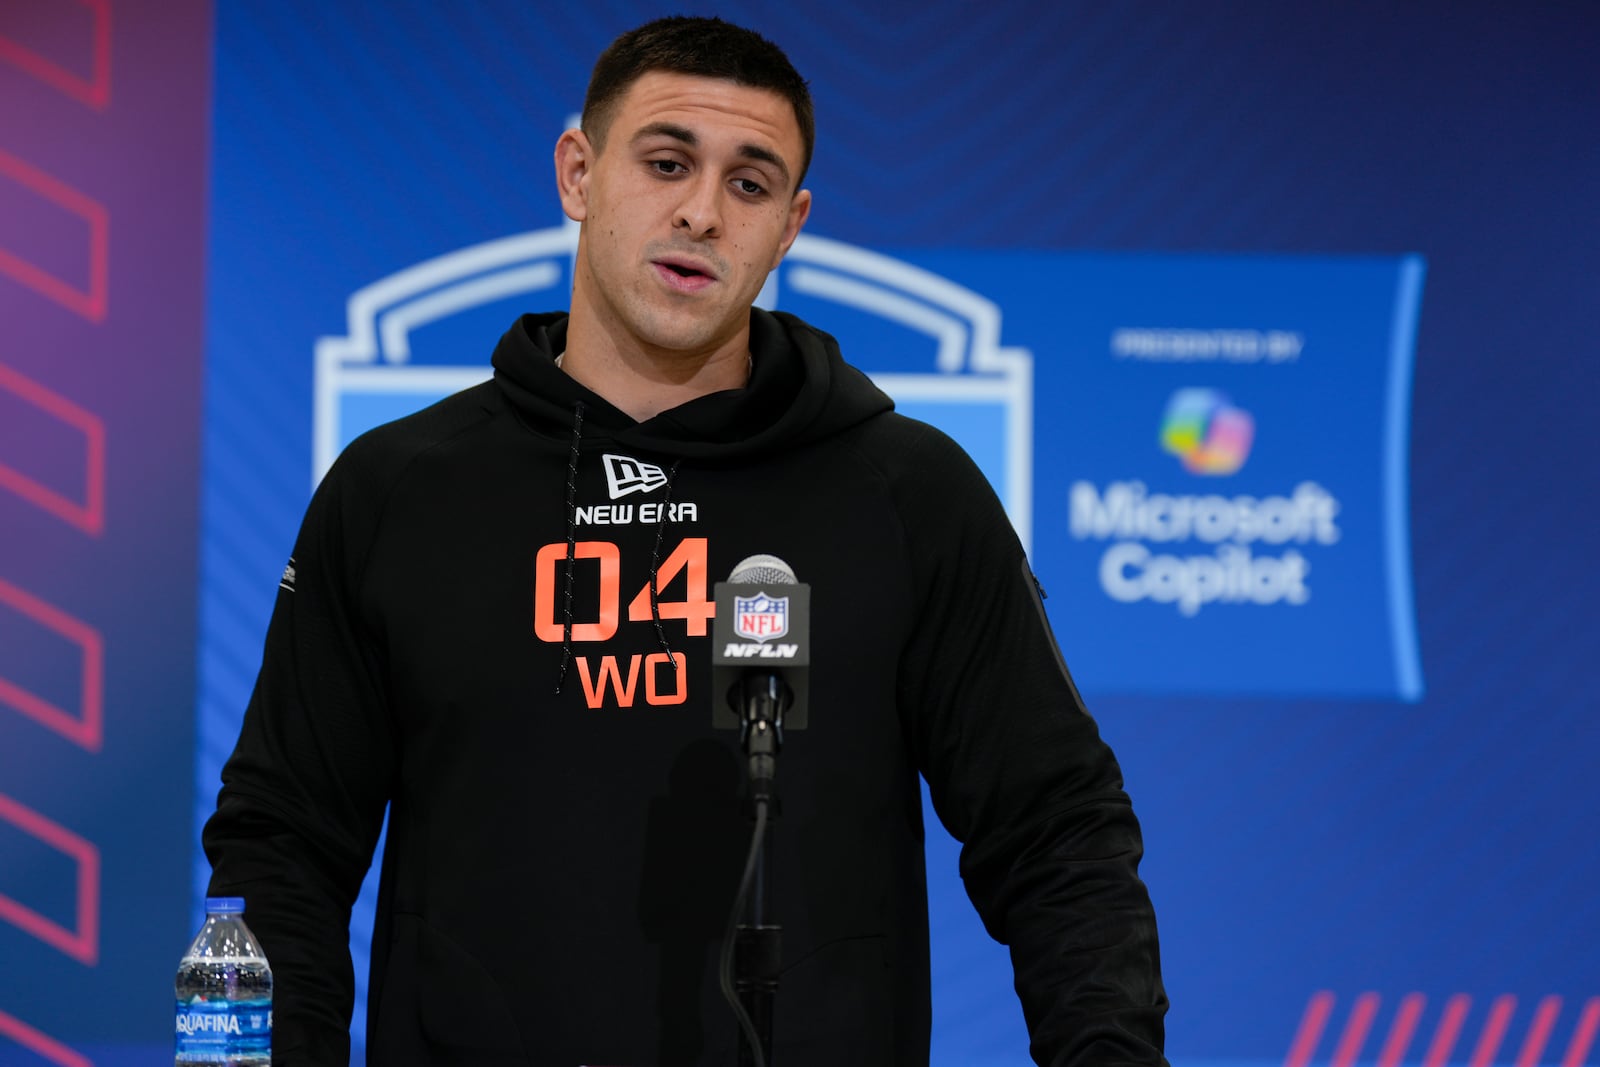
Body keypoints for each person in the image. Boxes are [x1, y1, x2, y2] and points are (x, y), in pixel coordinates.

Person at [204, 15, 1167, 1067]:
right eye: (666, 163)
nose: (702, 212)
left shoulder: (907, 491)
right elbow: (281, 848)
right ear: (578, 172)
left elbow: (1057, 831)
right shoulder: (397, 490)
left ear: (791, 223)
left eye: (750, 185)